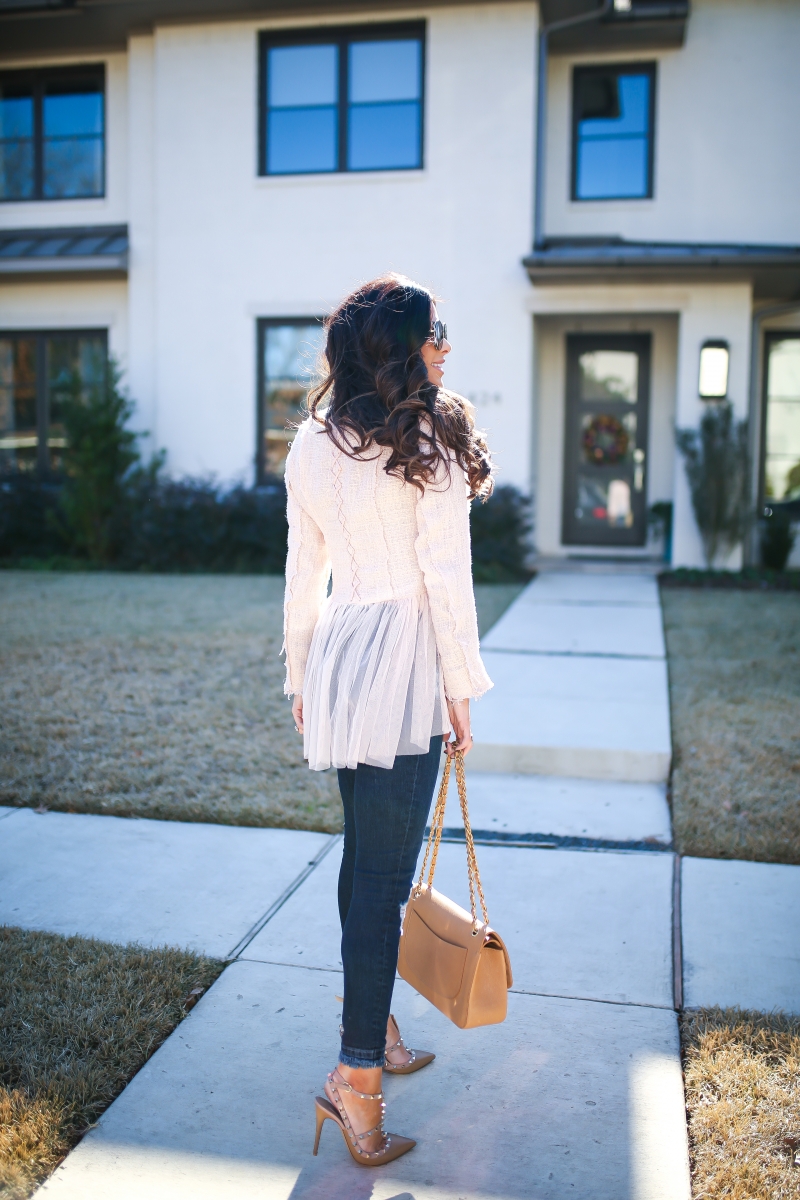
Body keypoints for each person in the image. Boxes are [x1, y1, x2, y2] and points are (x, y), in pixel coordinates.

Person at [282, 274, 494, 1167]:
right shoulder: (427, 437)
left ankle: (374, 1026)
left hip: (343, 659)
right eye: (432, 330)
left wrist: (300, 673)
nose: (446, 342)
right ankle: (357, 1078)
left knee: (364, 865)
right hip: (402, 665)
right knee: (379, 881)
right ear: (399, 347)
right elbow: (444, 578)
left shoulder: (312, 445)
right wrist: (459, 685)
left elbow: (304, 570)